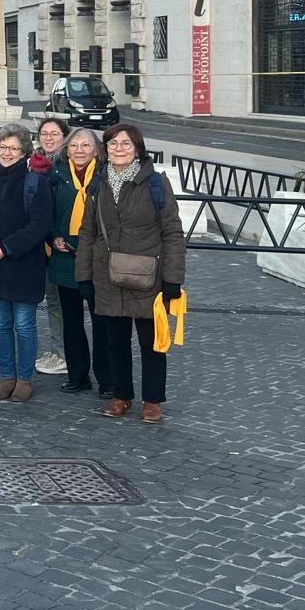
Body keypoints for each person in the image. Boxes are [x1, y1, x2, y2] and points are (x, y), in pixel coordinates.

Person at [74, 123, 185, 423]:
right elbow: (88, 233)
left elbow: (172, 232)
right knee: (115, 342)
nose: (119, 149)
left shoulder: (155, 183)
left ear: (137, 149)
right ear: (105, 149)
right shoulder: (98, 184)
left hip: (148, 276)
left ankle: (152, 400)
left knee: (152, 342)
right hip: (108, 275)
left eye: (125, 143)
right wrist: (83, 275)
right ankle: (121, 396)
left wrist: (173, 278)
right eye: (112, 143)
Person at [0, 124, 56, 403]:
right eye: (3, 147)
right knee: (1, 324)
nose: (7, 153)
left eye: (13, 148)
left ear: (24, 151)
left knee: (25, 325)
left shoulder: (35, 183)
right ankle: (7, 376)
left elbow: (39, 225)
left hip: (23, 267)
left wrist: (6, 248)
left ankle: (24, 379)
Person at [47, 127, 111, 396]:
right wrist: (54, 237)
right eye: (74, 146)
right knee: (71, 322)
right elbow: (46, 212)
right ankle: (78, 375)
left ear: (96, 150)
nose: (79, 150)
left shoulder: (106, 176)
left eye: (85, 145)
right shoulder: (57, 175)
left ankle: (107, 380)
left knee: (102, 322)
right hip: (65, 258)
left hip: (97, 259)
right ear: (67, 150)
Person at [30, 116, 71, 375]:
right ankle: (58, 350)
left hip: (61, 242)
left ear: (64, 137)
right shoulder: (35, 164)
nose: (49, 138)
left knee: (62, 302)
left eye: (55, 133)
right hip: (42, 243)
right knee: (53, 300)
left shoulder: (66, 165)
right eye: (44, 133)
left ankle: (65, 354)